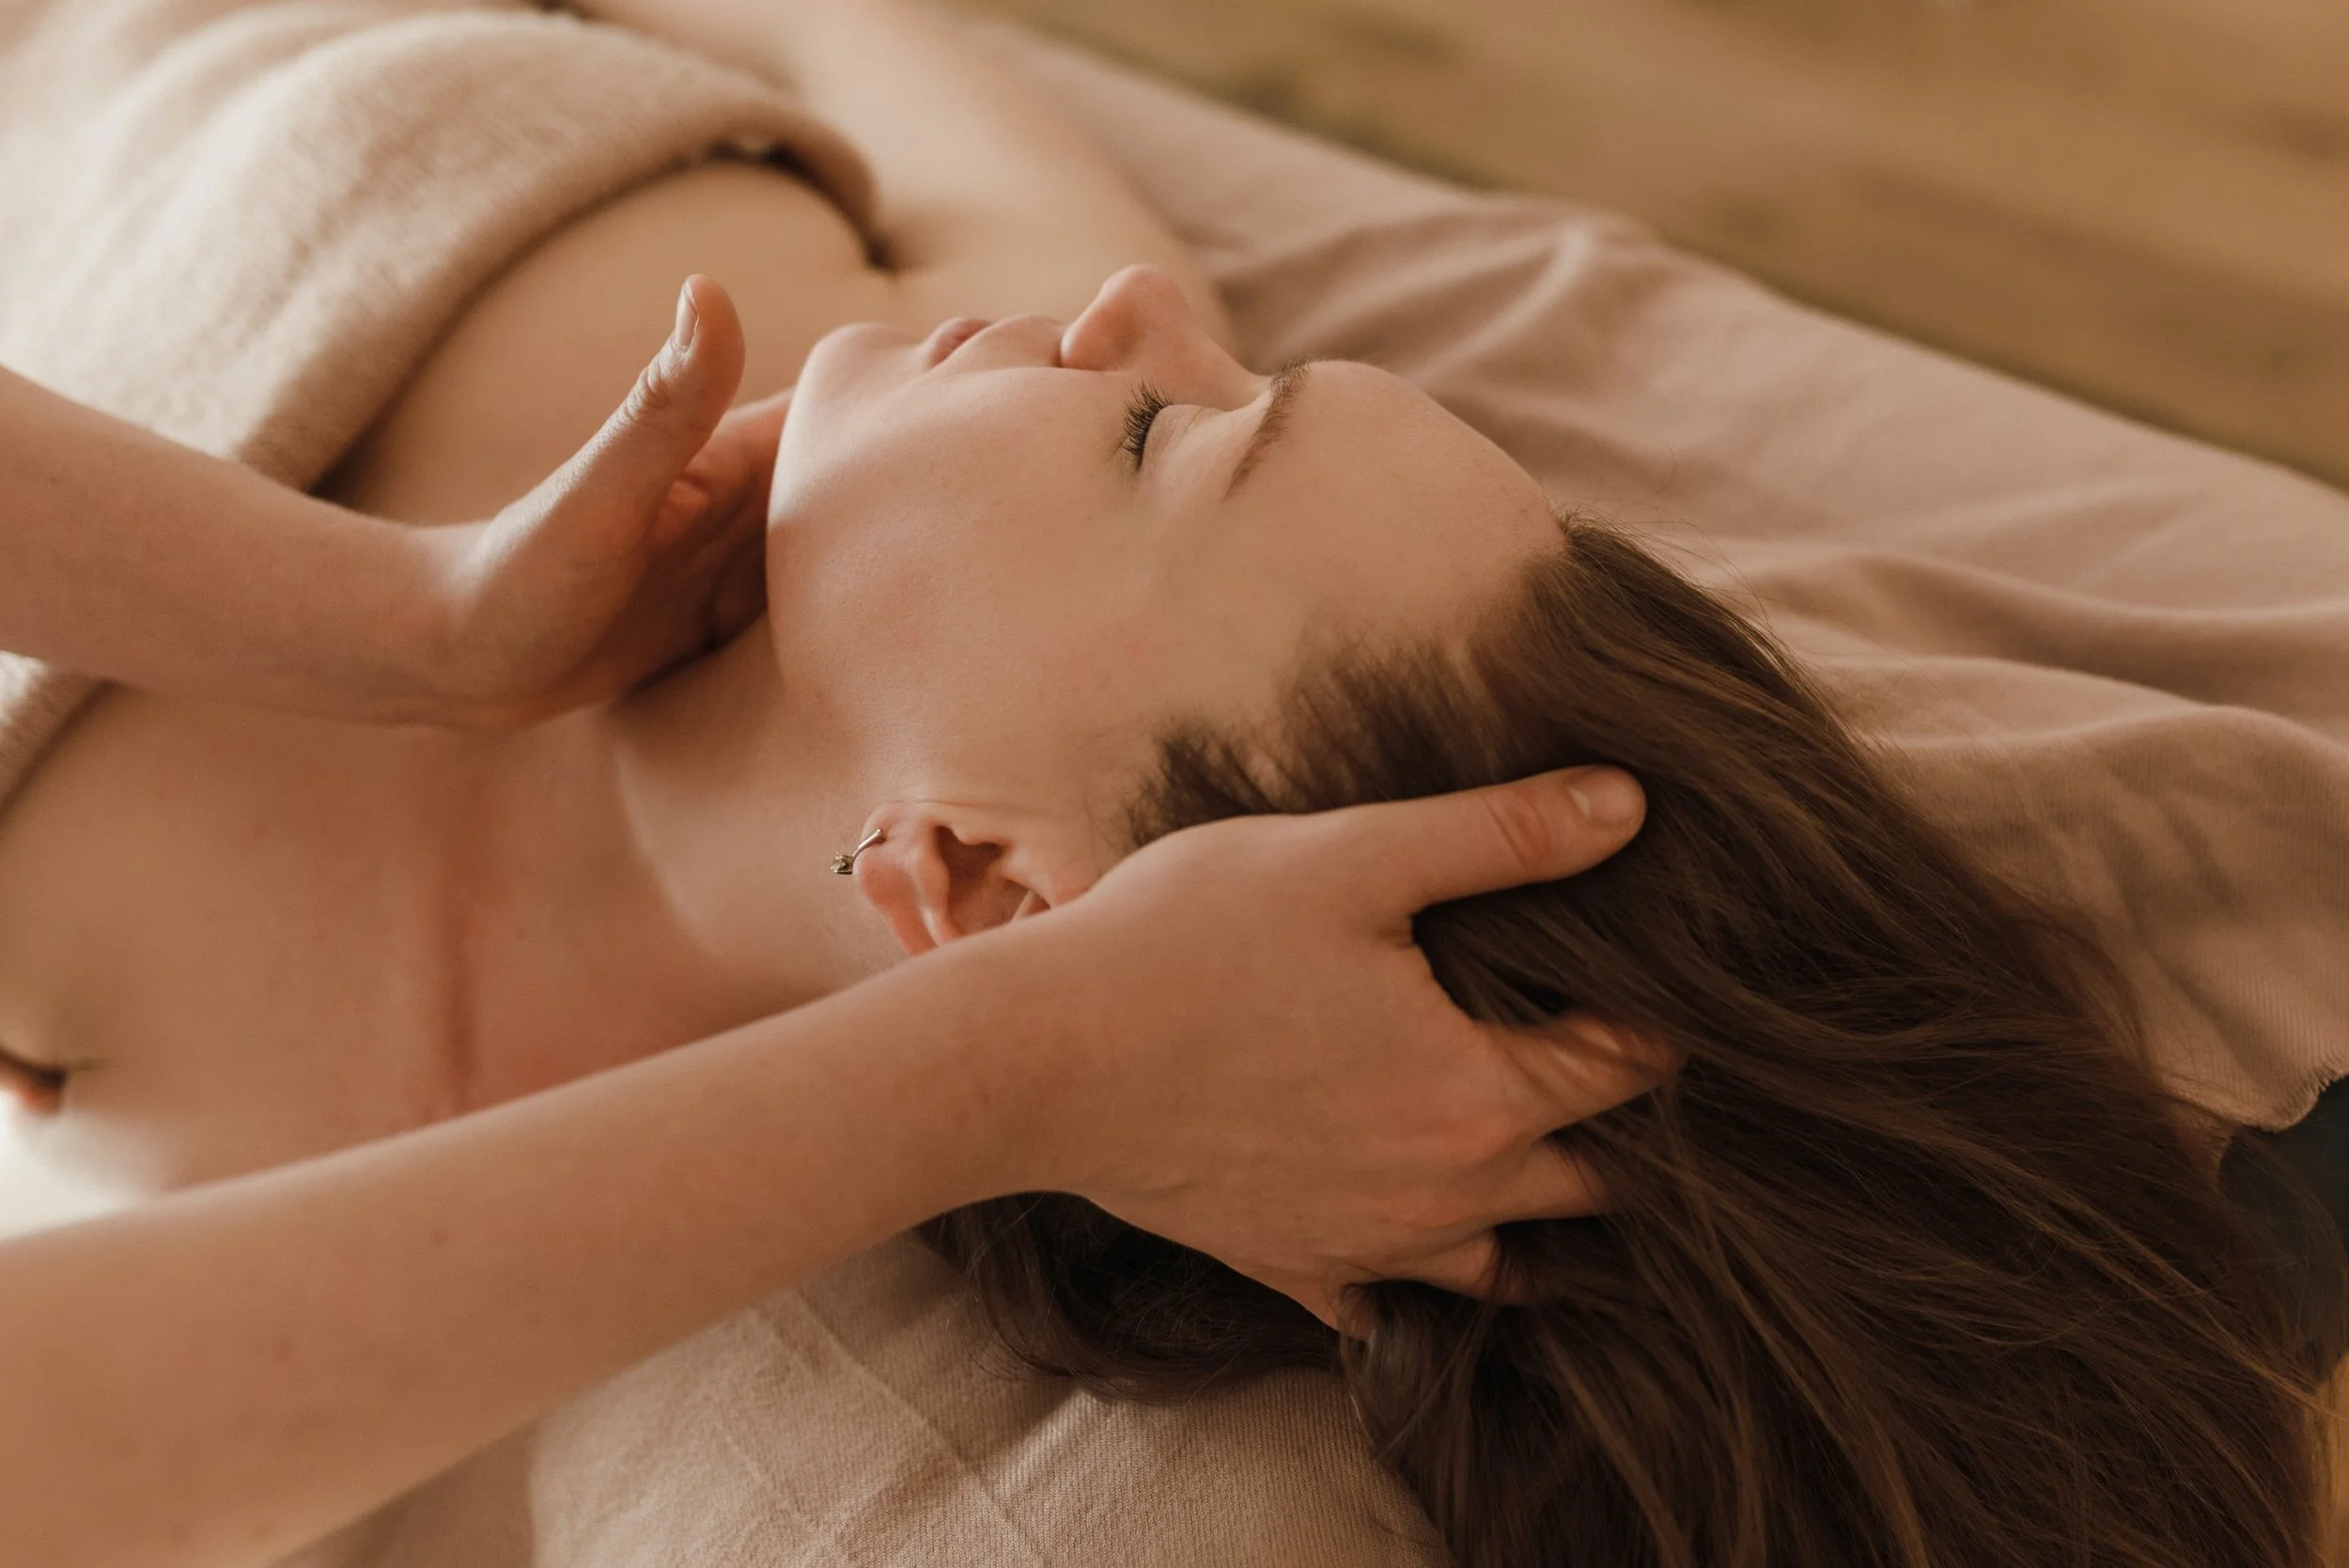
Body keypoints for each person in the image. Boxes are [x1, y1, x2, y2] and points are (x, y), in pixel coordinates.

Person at [0, 4, 2334, 1568]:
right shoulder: (925, 409)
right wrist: (395, 619)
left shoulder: (248, 1134)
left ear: (988, 888)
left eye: (1159, 438)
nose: (1138, 311)